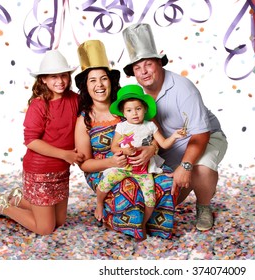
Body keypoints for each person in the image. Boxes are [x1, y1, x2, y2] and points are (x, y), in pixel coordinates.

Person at [122, 23, 228, 231]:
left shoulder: (183, 88)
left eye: (148, 64)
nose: (143, 72)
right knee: (163, 200)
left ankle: (204, 205)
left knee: (201, 168)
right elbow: (150, 133)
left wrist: (185, 166)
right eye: (137, 67)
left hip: (205, 137)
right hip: (171, 146)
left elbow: (200, 134)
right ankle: (191, 181)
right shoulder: (138, 96)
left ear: (159, 63)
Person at [74, 40, 175, 240]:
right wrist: (111, 161)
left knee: (165, 182)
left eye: (103, 78)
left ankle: (155, 225)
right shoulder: (84, 119)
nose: (99, 85)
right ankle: (121, 221)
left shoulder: (129, 106)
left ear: (111, 81)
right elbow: (84, 164)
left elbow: (155, 134)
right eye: (92, 80)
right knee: (130, 189)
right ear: (86, 85)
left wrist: (151, 150)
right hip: (103, 168)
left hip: (142, 163)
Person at [0, 50, 83, 235]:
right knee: (45, 228)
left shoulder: (74, 99)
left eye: (64, 75)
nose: (60, 81)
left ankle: (19, 197)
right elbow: (31, 141)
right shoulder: (39, 105)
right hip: (40, 170)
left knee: (60, 221)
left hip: (62, 170)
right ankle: (4, 206)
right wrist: (65, 154)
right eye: (53, 77)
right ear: (43, 80)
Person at [95, 84, 185, 229]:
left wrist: (174, 136)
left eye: (138, 109)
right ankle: (99, 204)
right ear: (123, 113)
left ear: (144, 109)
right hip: (125, 166)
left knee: (150, 199)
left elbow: (164, 143)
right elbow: (114, 147)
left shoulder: (150, 126)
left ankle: (143, 224)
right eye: (129, 110)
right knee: (105, 184)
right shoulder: (122, 127)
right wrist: (125, 151)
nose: (134, 113)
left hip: (144, 169)